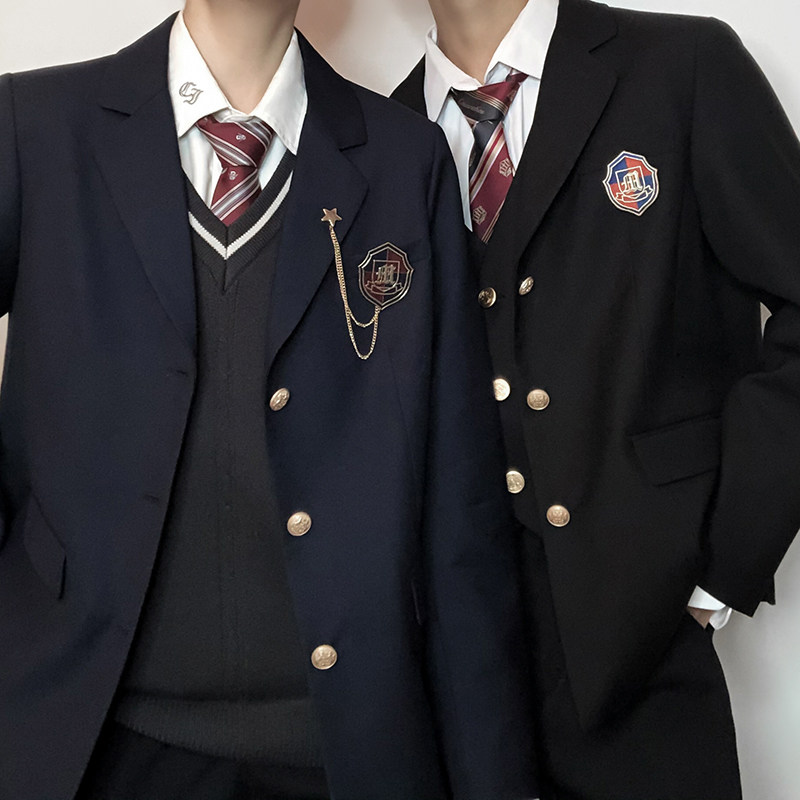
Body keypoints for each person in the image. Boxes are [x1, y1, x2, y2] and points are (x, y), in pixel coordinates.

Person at [0, 1, 538, 798]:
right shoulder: (36, 127)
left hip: (345, 752)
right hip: (90, 740)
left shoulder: (404, 160)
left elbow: (462, 509)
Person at [393, 0, 800, 798]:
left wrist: (722, 570)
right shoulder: (383, 133)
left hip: (646, 648)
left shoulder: (681, 67)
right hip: (459, 670)